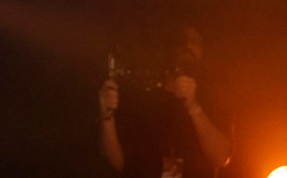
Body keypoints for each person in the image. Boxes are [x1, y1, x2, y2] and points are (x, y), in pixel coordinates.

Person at [97, 26, 231, 178]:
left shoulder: (214, 99)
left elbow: (221, 157)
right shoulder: (145, 96)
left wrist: (193, 107)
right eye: (181, 40)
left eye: (194, 41)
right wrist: (106, 117)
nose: (187, 46)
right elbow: (118, 162)